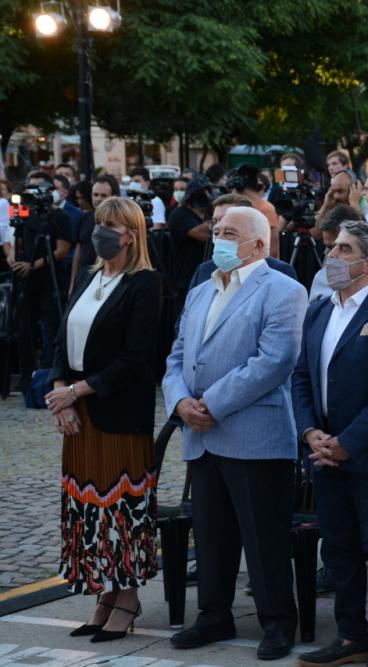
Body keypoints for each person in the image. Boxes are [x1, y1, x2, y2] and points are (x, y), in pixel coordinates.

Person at [163, 207, 307, 661]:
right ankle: (213, 614)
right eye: (217, 232)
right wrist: (180, 401)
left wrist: (213, 403)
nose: (218, 240)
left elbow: (275, 360)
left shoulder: (284, 290)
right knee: (211, 533)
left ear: (259, 245)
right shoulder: (202, 290)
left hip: (254, 432)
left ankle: (277, 622)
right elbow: (177, 355)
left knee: (263, 538)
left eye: (230, 234)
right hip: (201, 433)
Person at [292, 222, 368, 667]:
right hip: (324, 451)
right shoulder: (320, 310)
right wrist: (311, 433)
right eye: (332, 248)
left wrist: (348, 442)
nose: (332, 257)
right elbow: (302, 377)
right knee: (339, 545)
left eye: (344, 250)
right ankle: (350, 635)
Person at [46, 197, 163, 643]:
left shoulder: (145, 283)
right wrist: (62, 394)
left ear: (131, 233)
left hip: (117, 413)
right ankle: (103, 593)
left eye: (111, 226)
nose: (102, 233)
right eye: (99, 224)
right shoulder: (91, 276)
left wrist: (76, 391)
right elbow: (62, 338)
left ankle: (127, 597)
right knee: (86, 511)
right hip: (79, 411)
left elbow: (137, 358)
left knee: (119, 510)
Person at [12, 170, 73, 391]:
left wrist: (32, 265)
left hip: (51, 281)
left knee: (52, 328)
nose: (32, 192)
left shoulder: (60, 216)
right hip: (25, 281)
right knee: (24, 328)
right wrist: (14, 259)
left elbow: (62, 251)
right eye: (30, 187)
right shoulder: (23, 210)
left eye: (37, 188)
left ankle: (52, 374)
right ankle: (26, 375)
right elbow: (13, 234)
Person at [187, 194, 297, 288]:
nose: (218, 227)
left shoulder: (279, 271)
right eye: (215, 221)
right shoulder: (204, 270)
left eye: (227, 219)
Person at [166, 175, 213, 322]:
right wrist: (217, 219)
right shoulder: (179, 214)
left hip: (206, 275)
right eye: (201, 194)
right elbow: (201, 234)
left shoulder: (206, 214)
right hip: (184, 279)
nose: (205, 198)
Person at [228, 163, 281, 258]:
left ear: (239, 186)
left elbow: (272, 247)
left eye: (232, 189)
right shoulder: (244, 207)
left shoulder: (265, 209)